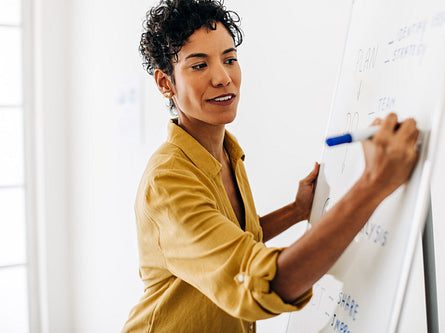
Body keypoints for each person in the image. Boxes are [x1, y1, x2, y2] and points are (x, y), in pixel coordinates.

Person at [122, 0, 420, 332]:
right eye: (199, 65)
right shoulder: (168, 181)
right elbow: (261, 282)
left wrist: (296, 210)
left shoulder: (227, 154)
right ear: (165, 83)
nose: (223, 77)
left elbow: (237, 239)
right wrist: (373, 185)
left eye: (230, 59)